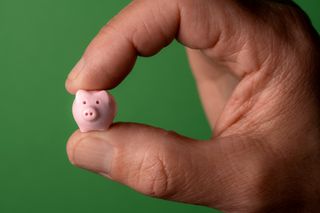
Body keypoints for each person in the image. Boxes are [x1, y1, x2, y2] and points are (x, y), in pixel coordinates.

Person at [65, 0, 320, 212]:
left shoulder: (103, 103)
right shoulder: (89, 105)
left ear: (106, 101)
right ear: (79, 105)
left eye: (95, 102)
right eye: (89, 105)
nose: (91, 109)